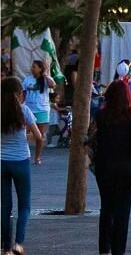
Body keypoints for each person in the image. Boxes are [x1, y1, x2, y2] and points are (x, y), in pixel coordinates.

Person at [88, 73, 131, 255]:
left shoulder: (100, 116)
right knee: (123, 209)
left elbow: (91, 140)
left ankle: (103, 247)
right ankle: (118, 249)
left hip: (104, 166)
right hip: (127, 167)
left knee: (106, 206)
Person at [2, 77, 42, 253]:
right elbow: (39, 136)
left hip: (1, 162)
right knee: (24, 205)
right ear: (19, 94)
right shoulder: (24, 111)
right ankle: (18, 243)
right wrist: (36, 153)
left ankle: (5, 248)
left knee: (4, 205)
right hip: (21, 161)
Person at [21, 60, 51, 164]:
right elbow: (23, 94)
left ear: (40, 69)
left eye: (34, 67)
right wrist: (21, 105)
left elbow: (53, 85)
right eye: (32, 67)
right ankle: (24, 154)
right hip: (29, 109)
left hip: (42, 110)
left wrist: (45, 75)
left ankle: (37, 157)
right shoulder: (27, 80)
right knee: (23, 132)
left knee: (40, 135)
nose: (32, 68)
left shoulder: (45, 79)